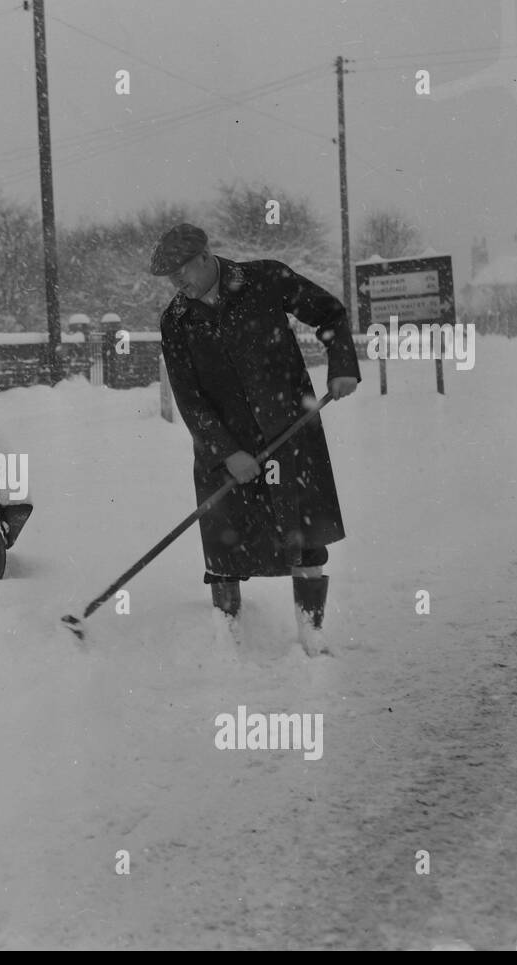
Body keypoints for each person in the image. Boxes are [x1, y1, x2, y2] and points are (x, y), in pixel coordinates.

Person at [151, 223, 360, 654]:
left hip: (288, 432)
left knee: (303, 534)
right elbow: (190, 400)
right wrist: (227, 452)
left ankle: (311, 632)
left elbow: (330, 313)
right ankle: (227, 637)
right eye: (170, 278)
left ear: (205, 257)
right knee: (223, 542)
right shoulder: (176, 321)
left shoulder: (265, 279)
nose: (178, 285)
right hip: (223, 447)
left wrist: (341, 365)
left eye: (181, 272)